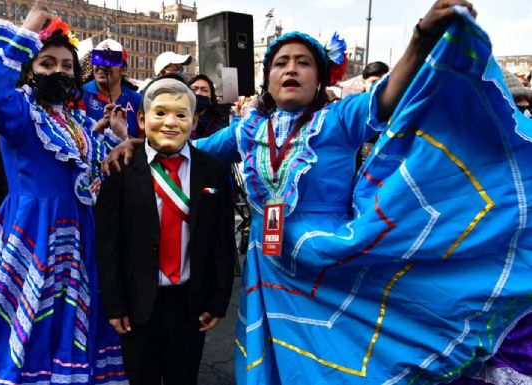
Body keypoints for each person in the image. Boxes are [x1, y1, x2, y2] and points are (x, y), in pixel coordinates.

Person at [105, 2, 532, 384]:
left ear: (320, 77)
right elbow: (181, 149)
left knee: (333, 362)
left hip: (330, 262)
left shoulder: (339, 119)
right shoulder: (248, 130)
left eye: (304, 63)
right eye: (280, 63)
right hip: (266, 265)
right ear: (267, 80)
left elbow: (389, 94)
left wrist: (421, 37)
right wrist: (133, 145)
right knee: (272, 360)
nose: (291, 69)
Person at [0, 3, 128, 384]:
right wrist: (28, 30)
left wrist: (114, 137)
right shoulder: (20, 111)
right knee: (23, 315)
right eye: (47, 64)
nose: (58, 72)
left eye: (66, 66)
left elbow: (89, 171)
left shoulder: (77, 119)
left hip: (80, 234)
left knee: (70, 313)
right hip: (33, 233)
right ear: (29, 68)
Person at [95, 76, 235, 385]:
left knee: (183, 378)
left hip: (190, 304)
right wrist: (114, 303)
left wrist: (218, 299)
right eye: (160, 113)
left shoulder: (213, 169)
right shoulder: (121, 169)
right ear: (142, 120)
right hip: (137, 303)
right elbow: (108, 245)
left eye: (181, 114)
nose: (170, 122)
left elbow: (222, 241)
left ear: (195, 121)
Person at [82, 38, 142, 138]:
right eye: (98, 58)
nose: (101, 65)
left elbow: (145, 143)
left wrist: (123, 135)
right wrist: (101, 124)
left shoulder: (137, 100)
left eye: (110, 60)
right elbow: (74, 141)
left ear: (123, 69)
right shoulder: (78, 95)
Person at [187, 74, 229, 139]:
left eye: (204, 90)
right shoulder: (178, 121)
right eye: (194, 89)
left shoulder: (220, 128)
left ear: (211, 97)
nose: (198, 93)